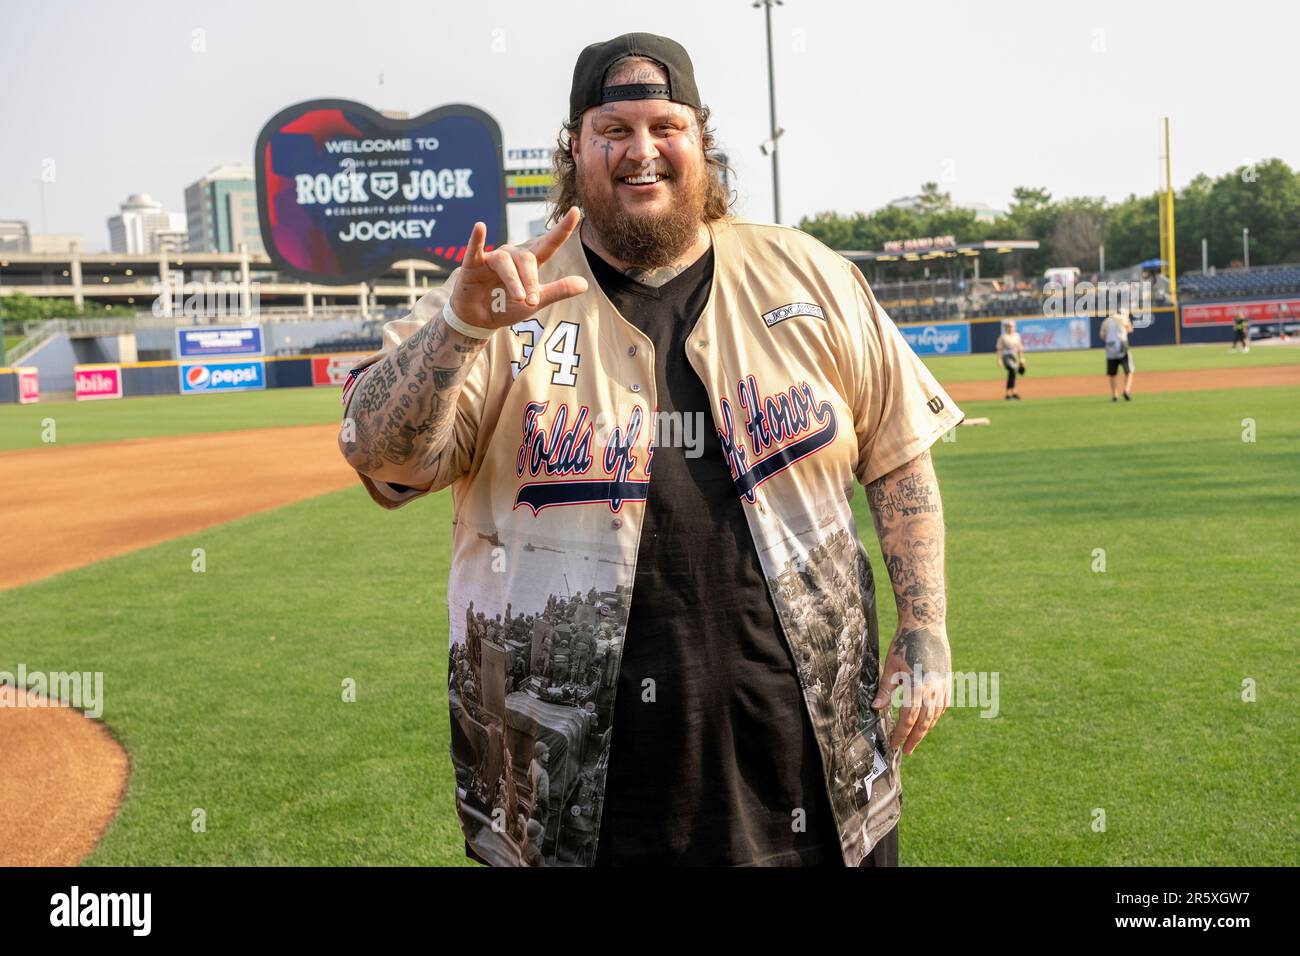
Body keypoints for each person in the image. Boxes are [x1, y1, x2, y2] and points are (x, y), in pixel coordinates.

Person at [338, 32, 963, 867]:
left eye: (665, 126)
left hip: (813, 764)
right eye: (614, 130)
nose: (642, 153)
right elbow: (377, 452)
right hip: (577, 800)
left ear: (700, 138)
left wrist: (925, 625)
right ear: (575, 148)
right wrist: (457, 329)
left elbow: (897, 454)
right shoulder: (503, 291)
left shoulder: (810, 276)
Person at [1099, 308, 1135, 401]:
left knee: (1112, 373)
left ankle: (1115, 395)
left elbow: (1102, 336)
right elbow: (1130, 329)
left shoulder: (1106, 320)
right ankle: (1126, 390)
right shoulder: (1124, 318)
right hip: (1122, 346)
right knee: (1129, 371)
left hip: (1110, 347)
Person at [994, 319, 1025, 399]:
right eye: (1008, 326)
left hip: (1014, 357)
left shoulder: (1017, 336)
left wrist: (1022, 359)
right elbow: (999, 349)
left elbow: (1020, 348)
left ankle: (1011, 393)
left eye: (1012, 326)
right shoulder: (1003, 337)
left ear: (1014, 327)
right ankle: (1011, 393)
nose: (1010, 328)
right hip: (1006, 357)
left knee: (1013, 373)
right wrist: (999, 360)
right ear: (1005, 328)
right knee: (1012, 370)